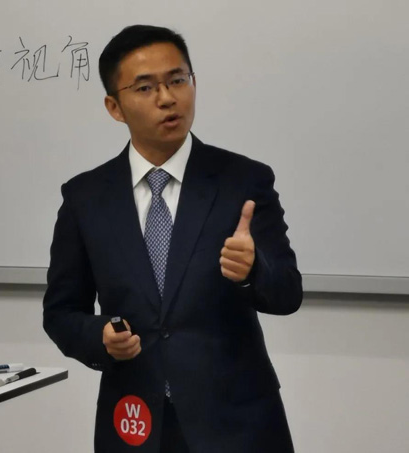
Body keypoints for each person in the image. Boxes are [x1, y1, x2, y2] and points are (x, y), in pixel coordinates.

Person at [43, 24, 302, 453]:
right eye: (145, 88)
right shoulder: (85, 198)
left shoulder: (243, 181)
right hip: (134, 423)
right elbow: (61, 312)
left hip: (238, 426)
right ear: (114, 107)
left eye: (178, 80)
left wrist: (252, 271)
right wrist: (100, 336)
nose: (167, 98)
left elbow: (288, 293)